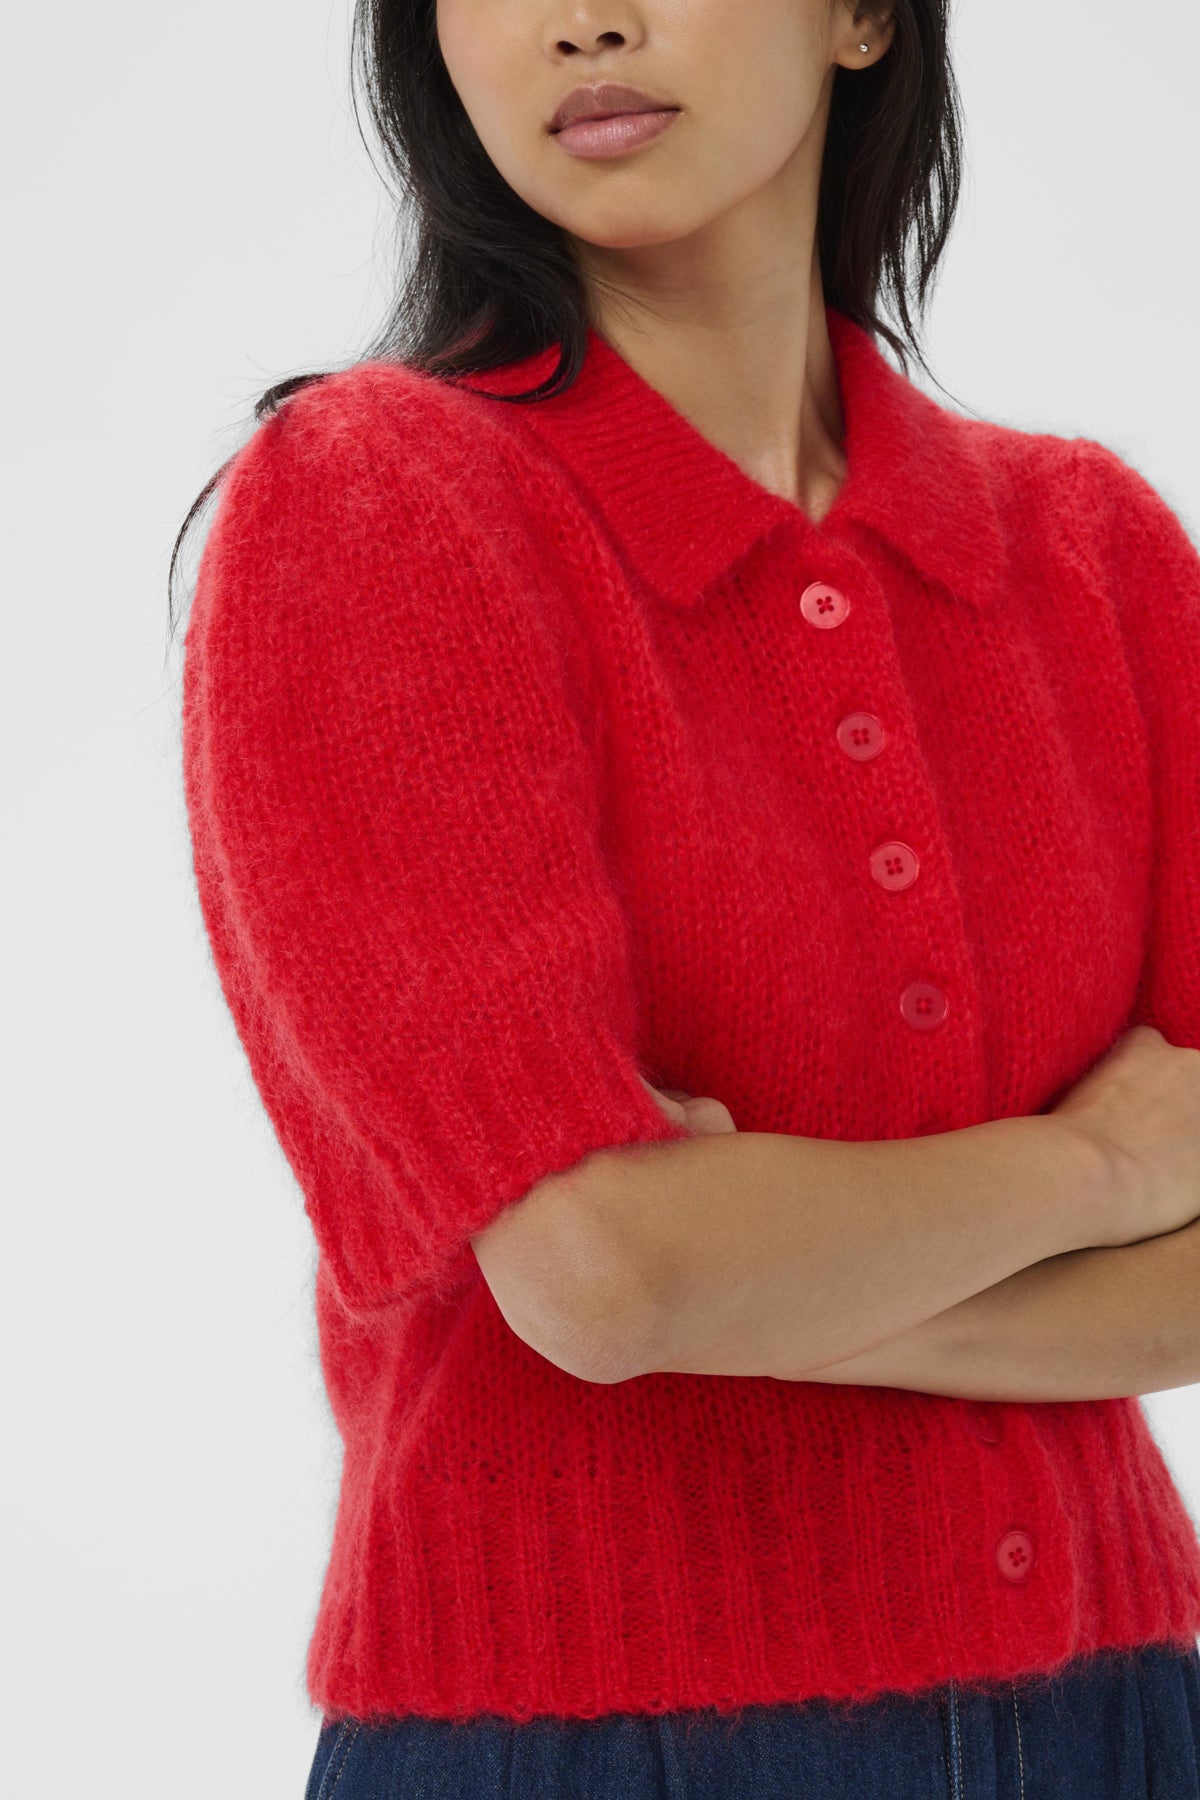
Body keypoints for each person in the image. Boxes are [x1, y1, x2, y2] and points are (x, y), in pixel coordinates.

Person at [169, 1, 1200, 1794]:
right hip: (591, 1738)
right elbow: (608, 1273)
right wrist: (1101, 1173)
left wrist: (755, 1280)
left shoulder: (1095, 556)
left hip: (1120, 1711)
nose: (586, 20)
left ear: (863, 14)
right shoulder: (377, 511)